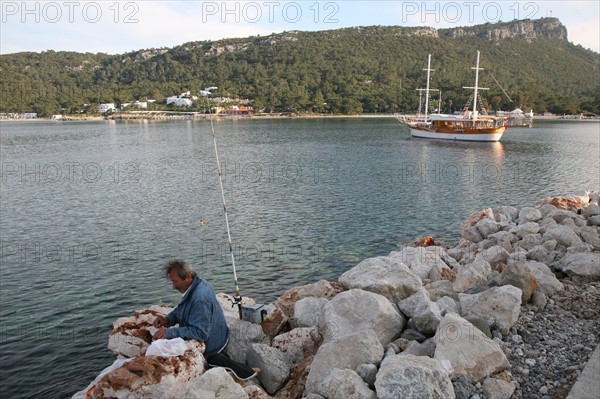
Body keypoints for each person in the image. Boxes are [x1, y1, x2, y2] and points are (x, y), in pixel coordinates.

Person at [152, 259, 229, 356]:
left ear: (188, 277)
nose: (173, 286)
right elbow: (183, 309)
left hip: (213, 347)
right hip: (216, 337)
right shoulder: (196, 285)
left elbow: (200, 333)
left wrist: (169, 333)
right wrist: (168, 320)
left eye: (175, 282)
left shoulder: (199, 298)